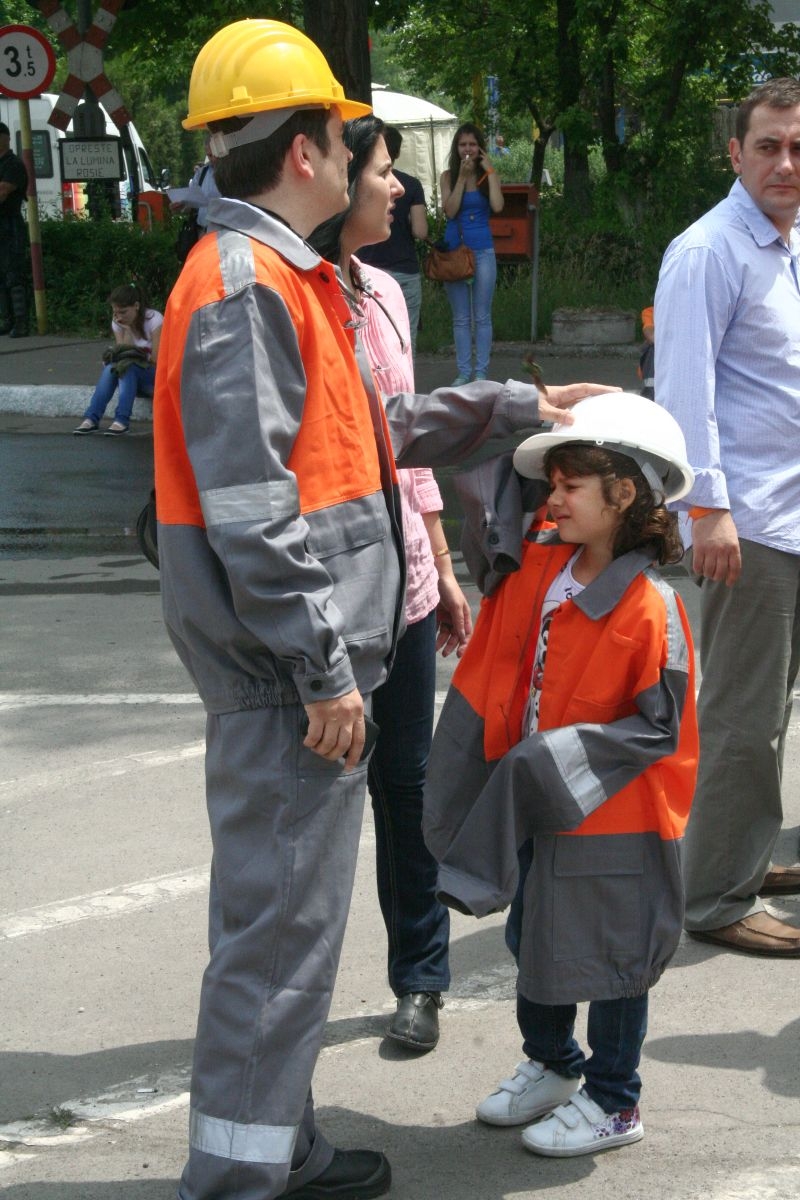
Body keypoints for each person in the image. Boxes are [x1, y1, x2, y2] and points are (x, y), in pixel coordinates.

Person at [152, 18, 611, 1200]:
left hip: (296, 666)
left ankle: (274, 1144)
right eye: (353, 142)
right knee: (274, 940)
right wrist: (323, 672)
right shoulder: (247, 287)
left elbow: (375, 433)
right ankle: (241, 1177)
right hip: (285, 677)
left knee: (288, 935)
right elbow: (255, 513)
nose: (375, 165)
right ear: (305, 148)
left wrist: (520, 403)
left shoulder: (281, 279)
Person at [422, 392, 699, 1158]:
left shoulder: (653, 608)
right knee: (533, 937)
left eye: (573, 482)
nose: (554, 497)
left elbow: (658, 727)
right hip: (542, 806)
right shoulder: (537, 565)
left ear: (627, 492)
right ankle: (553, 1064)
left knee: (612, 959)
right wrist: (531, 408)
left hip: (615, 817)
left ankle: (615, 1098)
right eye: (553, 482)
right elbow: (484, 475)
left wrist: (545, 764)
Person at [310, 114, 472, 1053]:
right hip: (329, 596)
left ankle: (421, 977)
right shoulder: (291, 296)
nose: (399, 188)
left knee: (406, 788)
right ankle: (297, 991)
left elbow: (409, 446)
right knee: (323, 796)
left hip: (405, 587)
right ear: (335, 181)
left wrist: (440, 565)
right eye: (383, 171)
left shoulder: (388, 296)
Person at [655, 76, 800, 956]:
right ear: (735, 154)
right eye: (770, 146)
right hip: (750, 525)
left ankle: (742, 854)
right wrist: (706, 511)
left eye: (799, 147)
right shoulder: (708, 252)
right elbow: (684, 394)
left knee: (772, 711)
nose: (787, 162)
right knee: (746, 716)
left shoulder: (788, 244)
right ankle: (713, 896)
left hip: (794, 512)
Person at [440, 121, 504, 384]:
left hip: (483, 250)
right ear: (456, 148)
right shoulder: (447, 176)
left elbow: (498, 207)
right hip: (454, 252)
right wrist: (461, 179)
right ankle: (464, 371)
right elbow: (450, 210)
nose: (468, 149)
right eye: (463, 144)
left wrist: (490, 173)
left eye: (472, 144)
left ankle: (481, 372)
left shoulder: (488, 175)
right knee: (461, 317)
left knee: (482, 314)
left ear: (480, 148)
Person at [357, 125, 428, 354]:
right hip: (403, 271)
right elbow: (421, 231)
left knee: (370, 347)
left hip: (365, 271)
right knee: (405, 345)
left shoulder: (362, 184)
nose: (395, 189)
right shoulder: (411, 185)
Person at [73, 283, 162, 436]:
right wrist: (127, 329)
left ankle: (122, 420)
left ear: (136, 306)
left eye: (123, 312)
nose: (119, 316)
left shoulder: (155, 319)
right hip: (130, 377)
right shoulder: (118, 322)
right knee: (113, 367)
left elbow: (157, 359)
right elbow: (123, 353)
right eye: (115, 312)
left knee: (127, 367)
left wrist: (136, 357)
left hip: (155, 378)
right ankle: (91, 418)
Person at [0, 120, 30, 339]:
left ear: (4, 138)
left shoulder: (13, 165)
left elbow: (2, 191)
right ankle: (6, 319)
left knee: (13, 275)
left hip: (10, 226)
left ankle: (21, 322)